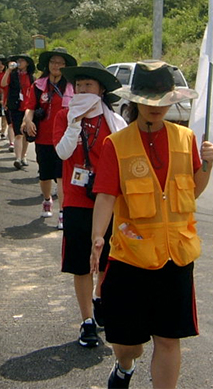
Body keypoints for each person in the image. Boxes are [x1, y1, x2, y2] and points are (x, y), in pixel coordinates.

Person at [90, 61, 213, 389]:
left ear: (172, 100)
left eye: (162, 100)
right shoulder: (116, 145)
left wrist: (208, 165)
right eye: (148, 100)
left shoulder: (186, 139)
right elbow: (105, 196)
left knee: (169, 339)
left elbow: (193, 191)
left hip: (176, 256)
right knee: (128, 344)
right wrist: (97, 238)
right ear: (135, 101)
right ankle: (124, 366)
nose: (155, 107)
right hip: (131, 256)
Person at [53, 61, 126, 348]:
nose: (82, 90)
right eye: (79, 86)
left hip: (107, 201)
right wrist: (74, 123)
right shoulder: (64, 116)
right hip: (75, 199)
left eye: (89, 86)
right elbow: (62, 152)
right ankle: (86, 321)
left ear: (101, 90)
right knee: (80, 264)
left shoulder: (113, 121)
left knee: (107, 259)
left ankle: (100, 299)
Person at [23, 47, 76, 227]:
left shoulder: (72, 87)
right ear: (48, 65)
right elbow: (30, 107)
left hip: (64, 139)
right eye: (53, 62)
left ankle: (63, 212)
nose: (56, 66)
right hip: (43, 138)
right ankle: (47, 200)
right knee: (45, 175)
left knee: (61, 176)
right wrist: (28, 121)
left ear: (66, 66)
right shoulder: (38, 86)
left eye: (60, 63)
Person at [2, 54, 35, 169]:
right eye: (18, 60)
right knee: (18, 134)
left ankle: (23, 155)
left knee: (25, 134)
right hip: (15, 106)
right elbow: (3, 84)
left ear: (27, 63)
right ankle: (17, 158)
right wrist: (8, 70)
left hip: (27, 108)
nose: (19, 62)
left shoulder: (31, 77)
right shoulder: (13, 74)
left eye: (22, 61)